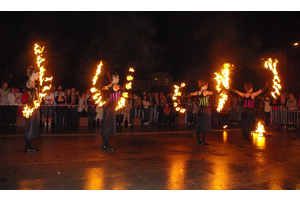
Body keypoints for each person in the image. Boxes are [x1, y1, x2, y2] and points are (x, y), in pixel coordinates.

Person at [101, 70, 122, 151]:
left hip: (109, 107)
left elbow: (104, 89)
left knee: (107, 126)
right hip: (110, 108)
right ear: (114, 78)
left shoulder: (109, 86)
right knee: (108, 126)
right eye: (118, 77)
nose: (119, 79)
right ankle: (106, 145)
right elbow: (121, 88)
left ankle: (105, 145)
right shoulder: (116, 86)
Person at [188, 80, 214, 145]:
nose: (207, 86)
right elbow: (213, 92)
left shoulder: (198, 92)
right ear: (204, 85)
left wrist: (187, 95)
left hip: (199, 109)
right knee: (204, 125)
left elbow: (191, 94)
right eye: (207, 85)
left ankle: (198, 140)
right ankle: (203, 141)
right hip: (205, 109)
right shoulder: (205, 92)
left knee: (198, 124)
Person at [24, 66, 40, 152]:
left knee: (32, 126)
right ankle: (28, 146)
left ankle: (29, 145)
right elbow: (31, 94)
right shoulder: (30, 83)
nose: (38, 75)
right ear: (33, 74)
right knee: (29, 126)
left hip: (34, 107)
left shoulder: (34, 83)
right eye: (37, 74)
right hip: (30, 107)